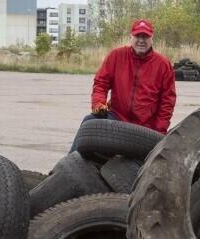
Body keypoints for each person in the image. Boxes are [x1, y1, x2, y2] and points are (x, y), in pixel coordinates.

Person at [72, 19, 175, 149]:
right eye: (138, 36)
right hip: (116, 117)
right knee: (89, 121)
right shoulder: (116, 56)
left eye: (145, 36)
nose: (141, 40)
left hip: (146, 127)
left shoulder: (163, 65)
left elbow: (167, 102)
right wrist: (98, 104)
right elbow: (100, 83)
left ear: (152, 38)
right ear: (131, 37)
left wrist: (159, 130)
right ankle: (68, 165)